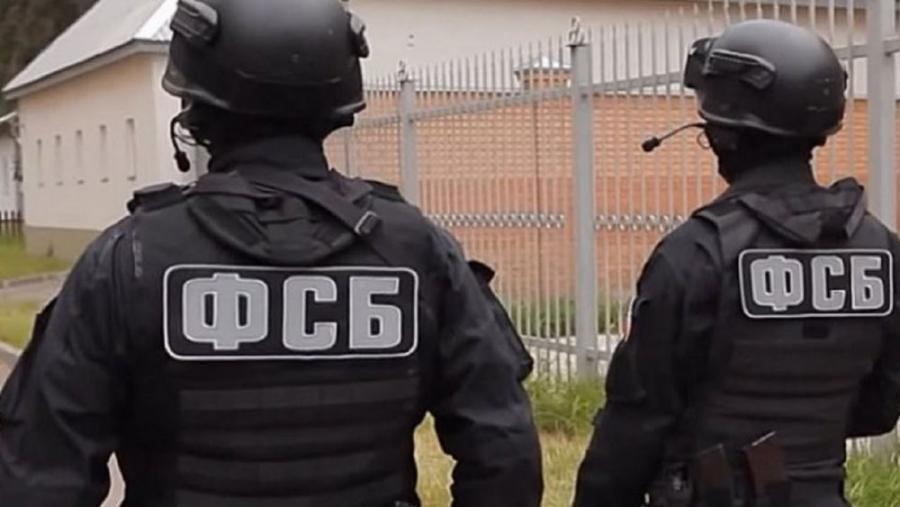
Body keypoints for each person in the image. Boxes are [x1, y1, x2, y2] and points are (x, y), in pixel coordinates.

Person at [0, 0, 543, 505]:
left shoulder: (129, 258)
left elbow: (39, 475)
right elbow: (505, 454)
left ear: (194, 107)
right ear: (337, 103)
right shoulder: (417, 249)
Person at [574, 19, 900, 507]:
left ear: (723, 136)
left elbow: (636, 422)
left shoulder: (696, 252)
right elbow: (879, 407)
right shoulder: (880, 249)